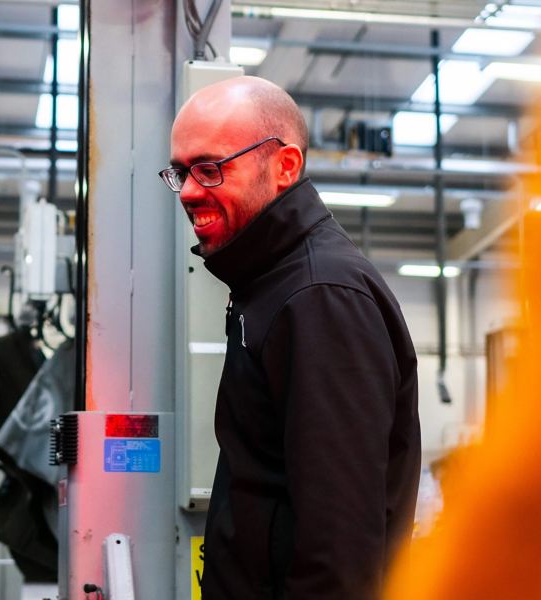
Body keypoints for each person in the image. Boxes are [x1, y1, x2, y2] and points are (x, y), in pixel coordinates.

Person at [160, 76, 421, 599]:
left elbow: (339, 544)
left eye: (210, 169)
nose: (189, 191)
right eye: (181, 172)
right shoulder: (271, 284)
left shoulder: (319, 296)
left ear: (285, 167)